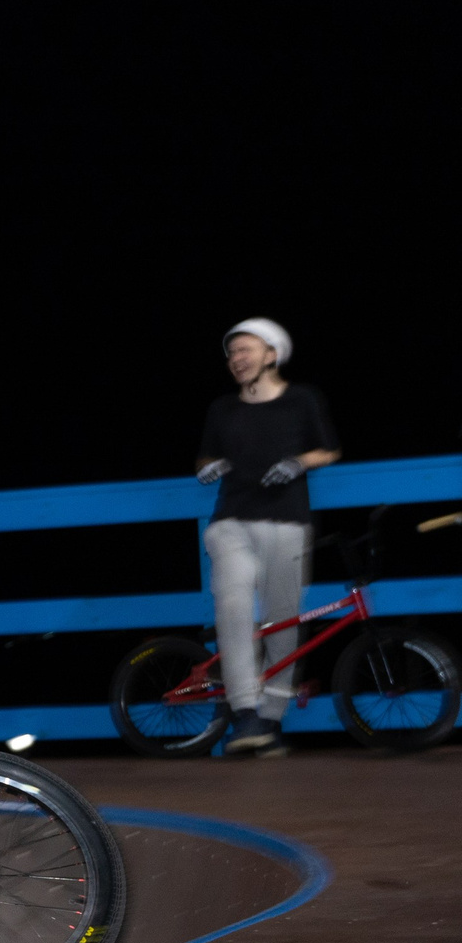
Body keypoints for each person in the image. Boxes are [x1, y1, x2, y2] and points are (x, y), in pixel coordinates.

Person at [195, 318, 340, 755]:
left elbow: (328, 449)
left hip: (287, 522)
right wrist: (208, 467)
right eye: (232, 353)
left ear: (271, 354)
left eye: (246, 350)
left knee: (282, 619)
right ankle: (244, 712)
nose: (236, 359)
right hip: (231, 521)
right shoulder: (222, 408)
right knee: (234, 606)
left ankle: (271, 719)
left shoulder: (302, 399)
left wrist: (299, 462)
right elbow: (205, 455)